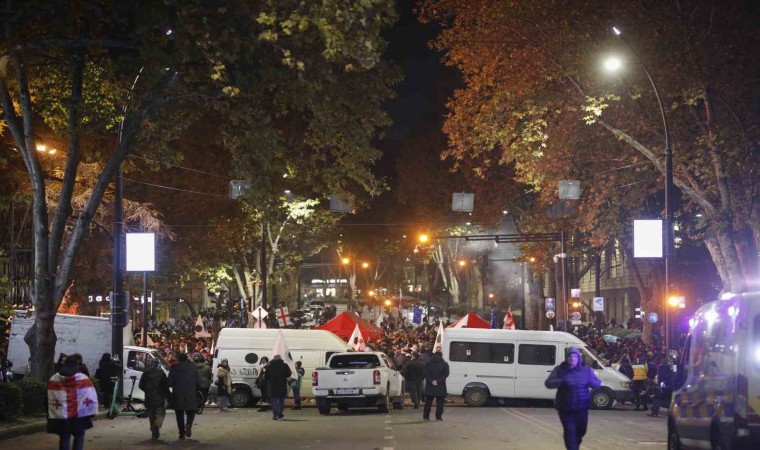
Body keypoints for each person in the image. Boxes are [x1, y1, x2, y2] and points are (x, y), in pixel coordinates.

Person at [545, 347, 602, 450]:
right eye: (570, 356)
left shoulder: (586, 370)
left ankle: (575, 446)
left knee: (581, 432)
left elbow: (597, 384)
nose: (572, 358)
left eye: (575, 356)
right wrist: (561, 381)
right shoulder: (560, 369)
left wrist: (592, 382)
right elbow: (548, 383)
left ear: (578, 358)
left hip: (582, 409)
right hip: (566, 409)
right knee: (570, 431)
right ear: (566, 358)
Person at [47, 353, 98, 450]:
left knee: (64, 437)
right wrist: (92, 413)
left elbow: (48, 397)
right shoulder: (83, 379)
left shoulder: (54, 378)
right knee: (79, 436)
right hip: (80, 415)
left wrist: (50, 414)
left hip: (61, 415)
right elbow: (91, 396)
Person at [168, 353, 201, 439]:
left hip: (178, 394)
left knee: (179, 414)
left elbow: (170, 383)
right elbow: (198, 382)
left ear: (178, 359)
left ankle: (182, 433)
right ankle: (189, 423)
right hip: (191, 393)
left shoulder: (174, 368)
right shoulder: (193, 368)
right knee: (191, 411)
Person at [139, 358, 170, 440]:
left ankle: (153, 430)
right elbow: (165, 387)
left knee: (151, 415)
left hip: (148, 398)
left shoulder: (145, 373)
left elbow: (140, 385)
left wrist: (147, 391)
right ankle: (156, 426)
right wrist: (169, 396)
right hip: (159, 398)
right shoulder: (162, 374)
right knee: (160, 414)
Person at [422, 346, 449, 421]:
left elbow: (426, 374)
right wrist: (438, 381)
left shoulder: (428, 363)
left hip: (430, 385)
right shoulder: (445, 364)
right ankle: (438, 417)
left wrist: (431, 381)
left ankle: (426, 416)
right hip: (441, 385)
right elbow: (446, 374)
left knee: (428, 402)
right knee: (440, 403)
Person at [264, 355, 292, 420]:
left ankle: (276, 414)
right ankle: (279, 413)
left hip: (272, 386)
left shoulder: (270, 366)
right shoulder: (285, 365)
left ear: (274, 358)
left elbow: (266, 376)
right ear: (281, 359)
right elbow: (289, 374)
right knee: (281, 400)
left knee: (273, 400)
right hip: (282, 385)